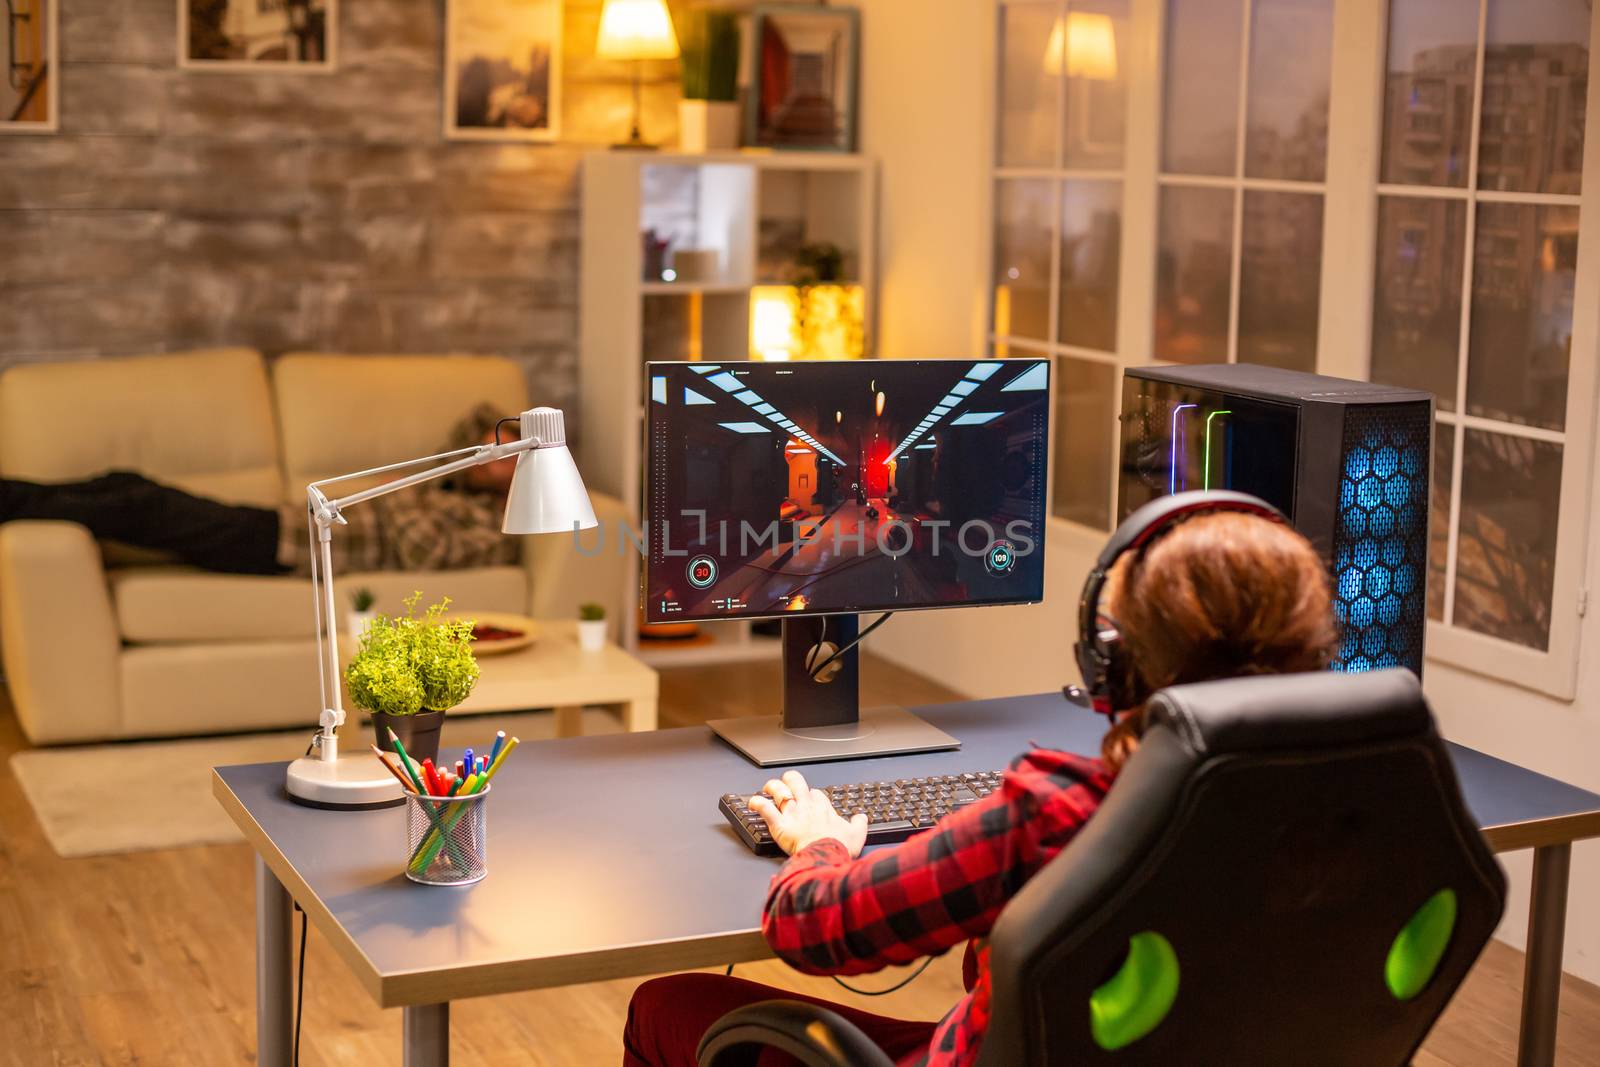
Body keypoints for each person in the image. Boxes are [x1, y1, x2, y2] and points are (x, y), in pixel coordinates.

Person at [622, 506, 1339, 1067]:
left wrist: (820, 845)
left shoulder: (1057, 813)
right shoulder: (1347, 810)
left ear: (1110, 665)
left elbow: (811, 927)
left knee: (664, 1004)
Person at [0, 405, 520, 577]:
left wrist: (396, 492)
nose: (495, 457)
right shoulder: (448, 483)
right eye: (494, 448)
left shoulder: (494, 526)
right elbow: (471, 428)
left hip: (288, 548)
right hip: (281, 519)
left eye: (510, 457)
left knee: (141, 505)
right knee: (126, 483)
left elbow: (423, 553)